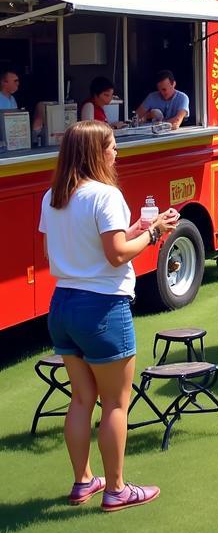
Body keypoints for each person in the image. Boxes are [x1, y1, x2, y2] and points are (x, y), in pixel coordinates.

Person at [40, 120, 179, 511]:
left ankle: (83, 481)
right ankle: (116, 488)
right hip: (102, 306)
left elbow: (64, 250)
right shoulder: (106, 195)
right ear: (96, 153)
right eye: (112, 146)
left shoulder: (52, 196)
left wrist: (136, 228)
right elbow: (116, 254)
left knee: (81, 399)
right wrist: (152, 233)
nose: (116, 152)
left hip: (63, 303)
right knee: (116, 403)